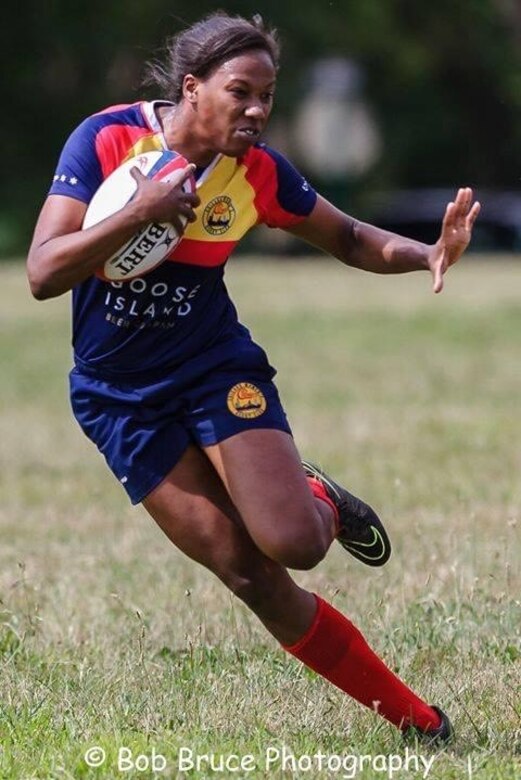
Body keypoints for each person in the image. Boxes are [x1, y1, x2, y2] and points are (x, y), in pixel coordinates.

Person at [27, 12, 480, 742]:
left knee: (295, 543)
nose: (257, 111)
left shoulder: (257, 171)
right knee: (248, 576)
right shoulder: (108, 139)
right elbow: (44, 272)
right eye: (241, 92)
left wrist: (424, 251)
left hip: (212, 369)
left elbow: (350, 237)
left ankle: (315, 500)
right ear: (192, 88)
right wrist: (141, 210)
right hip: (120, 400)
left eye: (267, 96)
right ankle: (418, 720)